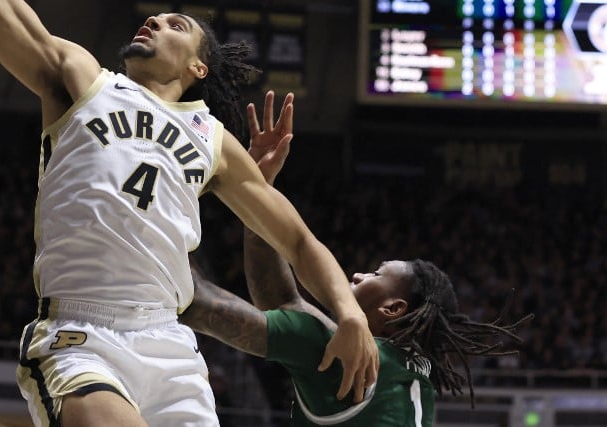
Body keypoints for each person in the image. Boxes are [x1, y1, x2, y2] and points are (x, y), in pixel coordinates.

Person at [0, 0, 378, 427]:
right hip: (82, 334)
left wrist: (349, 313)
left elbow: (296, 239)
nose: (154, 21)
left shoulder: (213, 139)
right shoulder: (83, 78)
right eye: (156, 17)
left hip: (170, 344)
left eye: (177, 25)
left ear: (198, 68)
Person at [181, 91, 532, 426]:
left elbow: (197, 301)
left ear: (393, 309)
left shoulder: (345, 359)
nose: (360, 275)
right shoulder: (408, 369)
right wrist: (259, 195)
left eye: (376, 274)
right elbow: (282, 301)